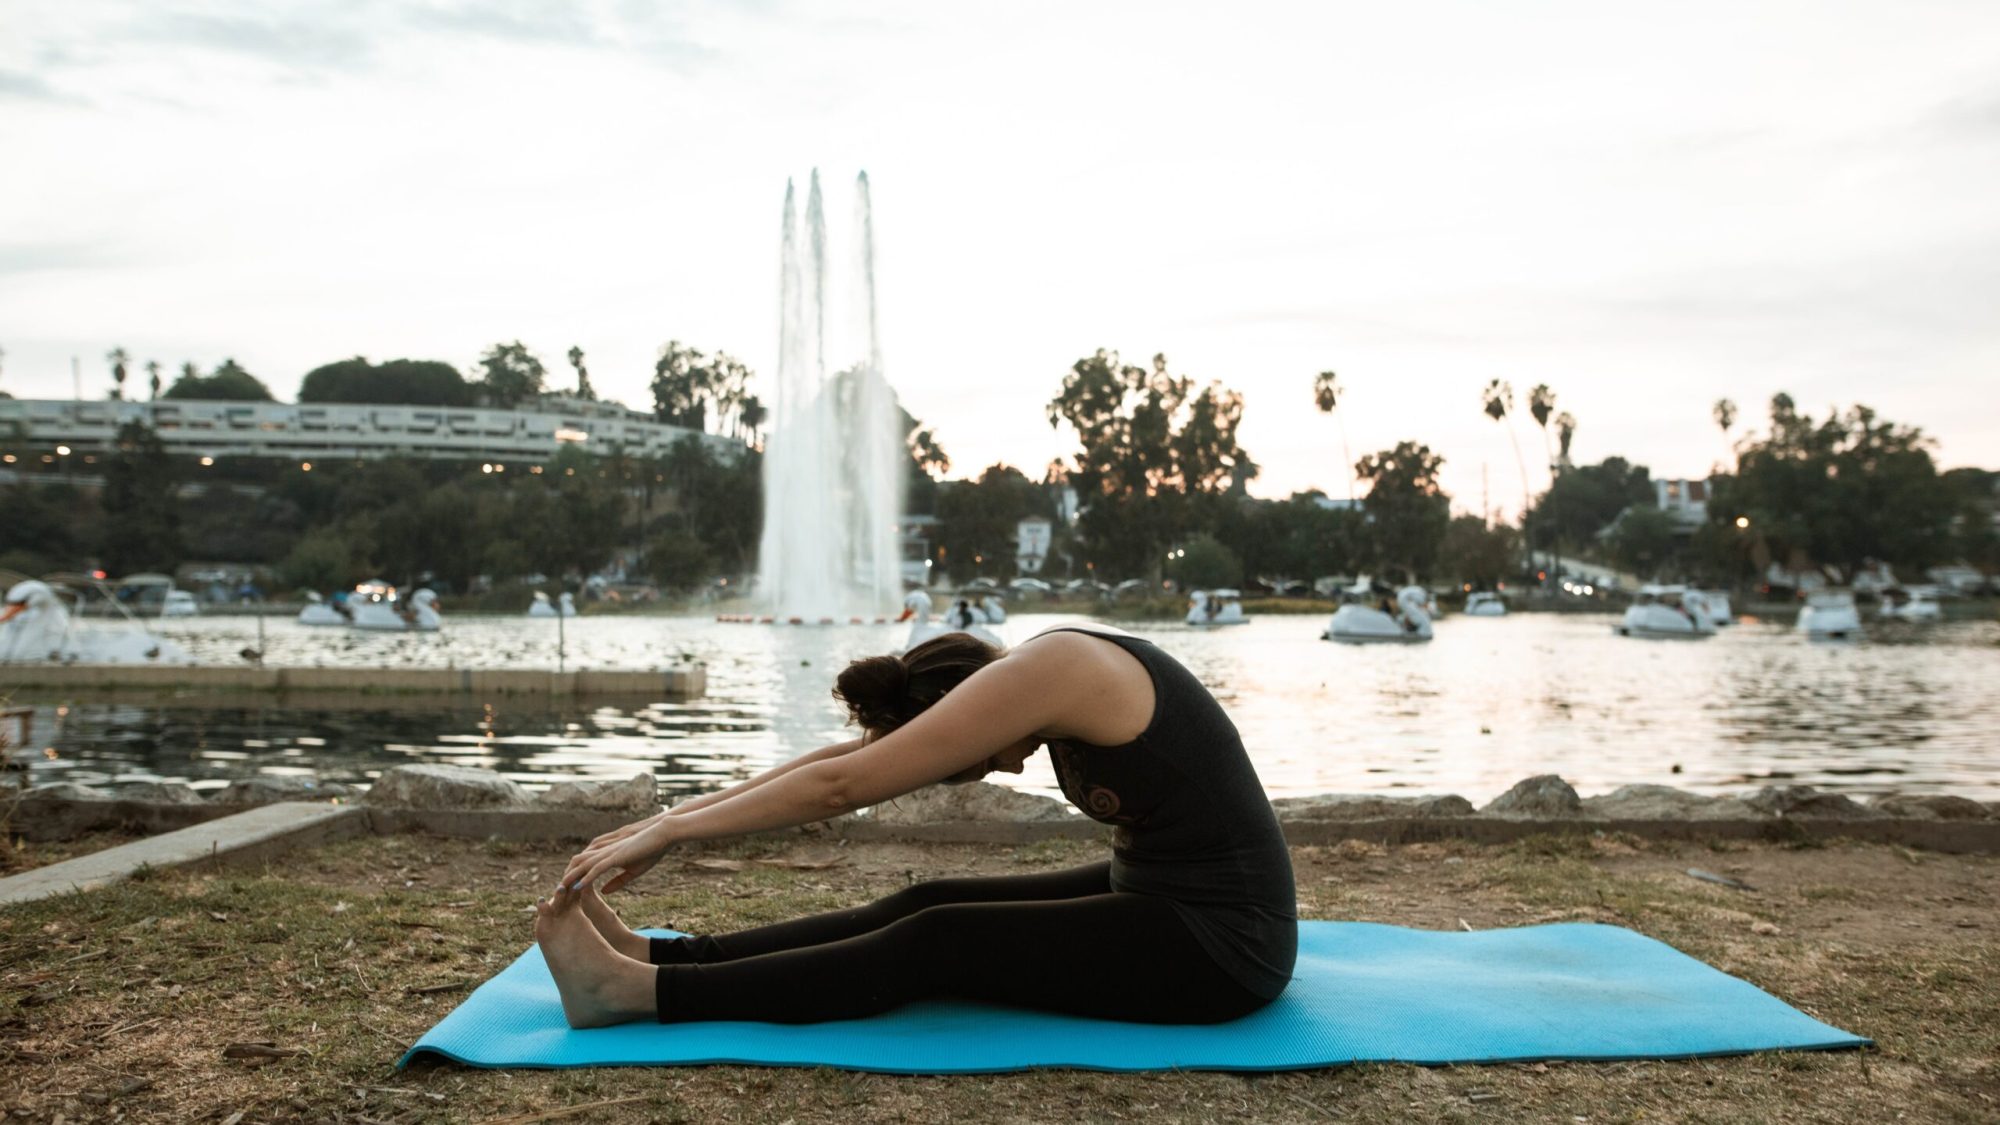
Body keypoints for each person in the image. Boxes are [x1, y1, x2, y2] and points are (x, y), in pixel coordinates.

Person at [536, 626, 1297, 1029]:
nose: (1007, 770)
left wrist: (672, 835)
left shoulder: (1053, 671)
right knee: (924, 899)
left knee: (939, 942)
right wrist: (671, 819)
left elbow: (840, 786)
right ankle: (661, 955)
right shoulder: (1028, 673)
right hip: (1162, 892)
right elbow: (844, 762)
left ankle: (632, 993)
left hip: (1227, 942)